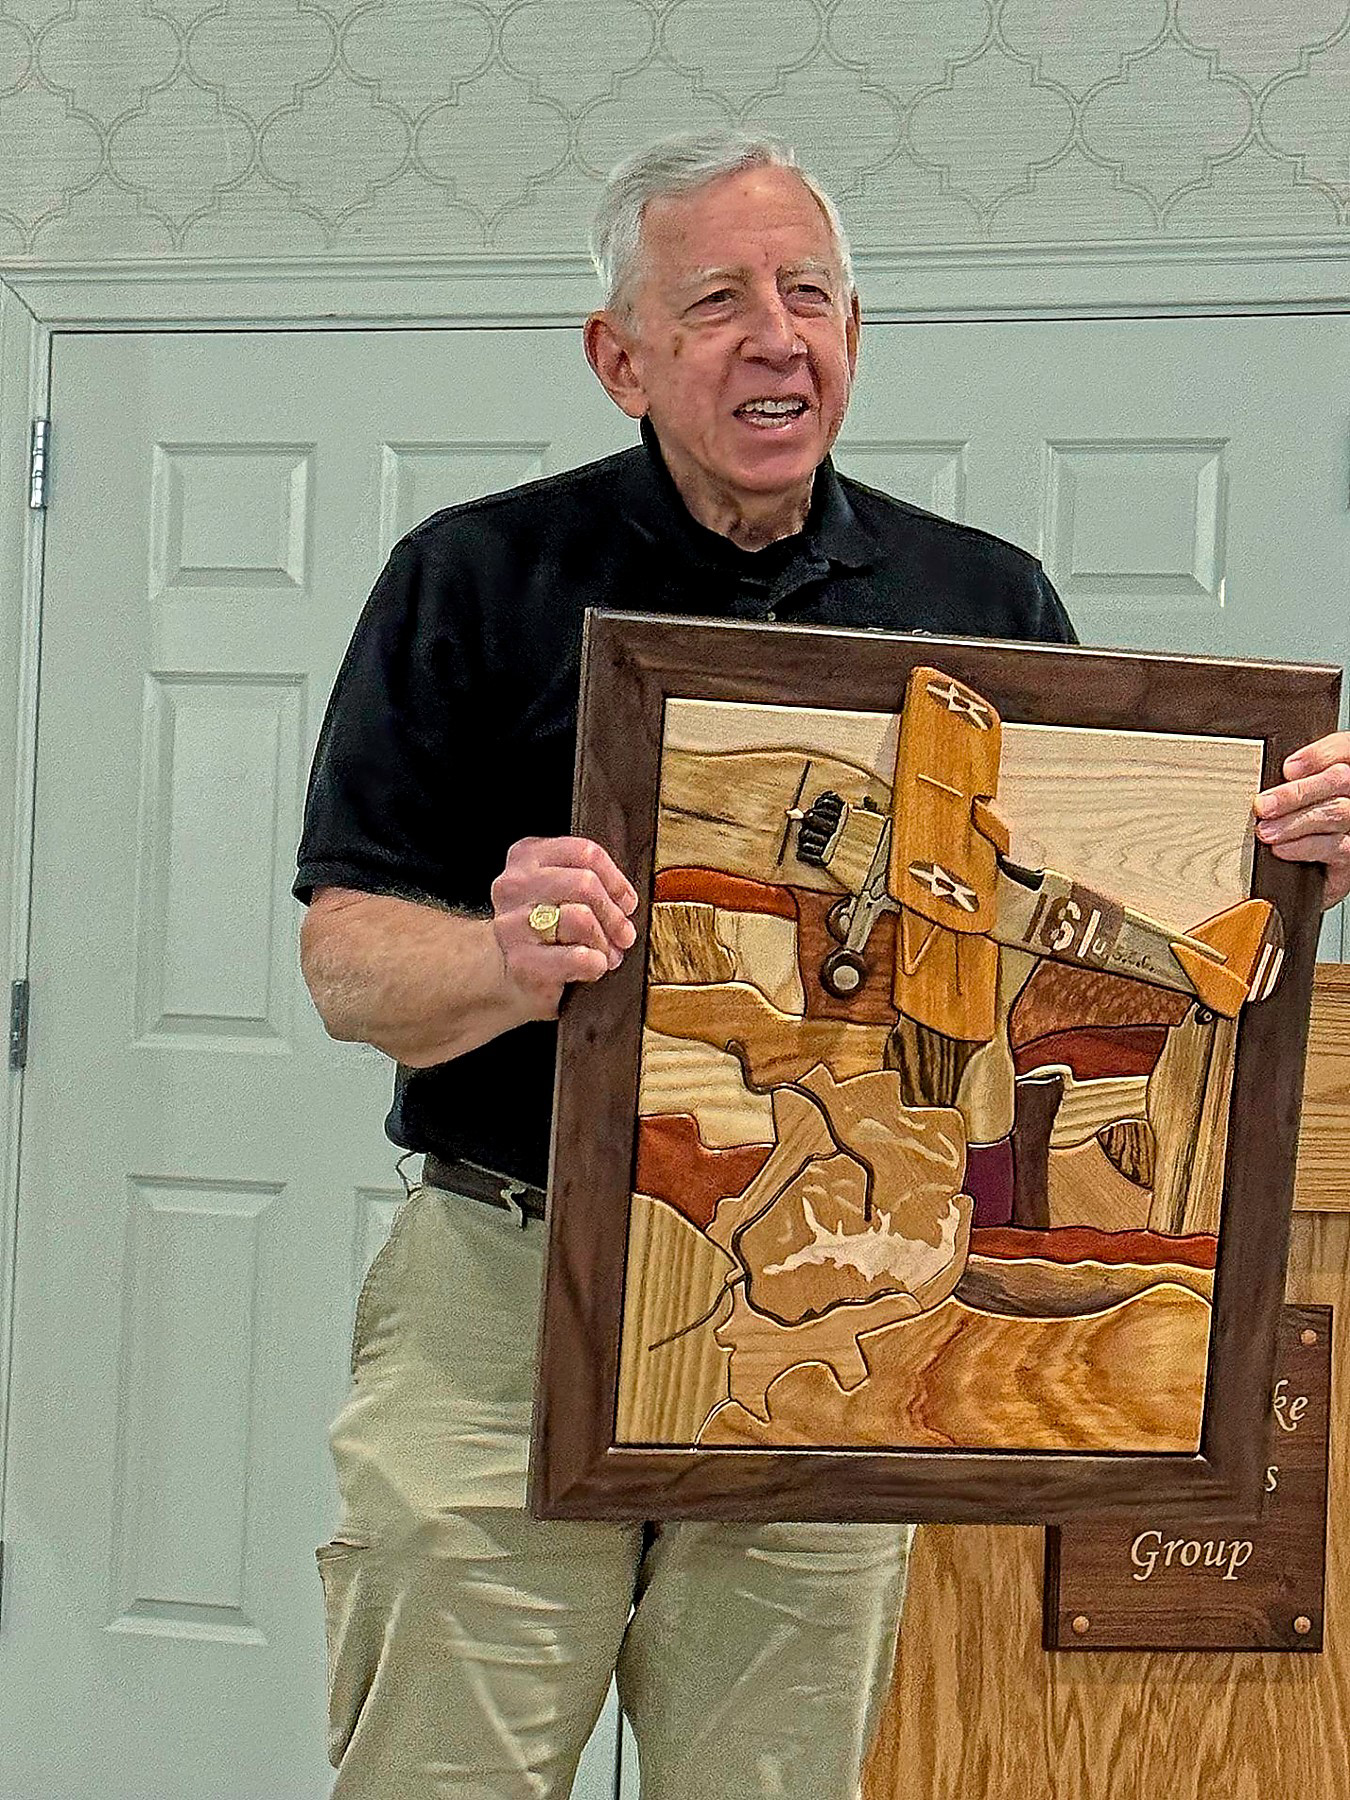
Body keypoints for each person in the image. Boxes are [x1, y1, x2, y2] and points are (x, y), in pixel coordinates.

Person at [295, 131, 1350, 1800]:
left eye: (808, 294)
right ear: (619, 356)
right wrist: (505, 959)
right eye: (715, 300)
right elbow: (346, 962)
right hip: (507, 1289)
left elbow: (1089, 975)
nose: (772, 335)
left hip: (844, 1297)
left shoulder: (981, 599)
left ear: (853, 333)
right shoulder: (473, 577)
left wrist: (1278, 871)